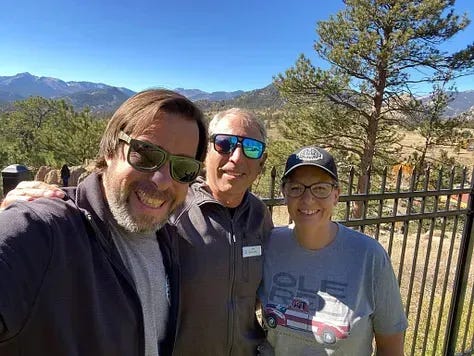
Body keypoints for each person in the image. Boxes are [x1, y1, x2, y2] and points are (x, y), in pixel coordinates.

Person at [0, 108, 273, 355]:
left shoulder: (261, 217)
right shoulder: (170, 207)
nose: (236, 157)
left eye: (251, 147)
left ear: (262, 161)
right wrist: (17, 210)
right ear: (206, 155)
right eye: (224, 143)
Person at [258, 146, 408, 356]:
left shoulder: (368, 256)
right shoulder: (269, 245)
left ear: (336, 195)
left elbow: (391, 348)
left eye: (320, 188)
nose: (308, 199)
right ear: (284, 194)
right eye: (296, 188)